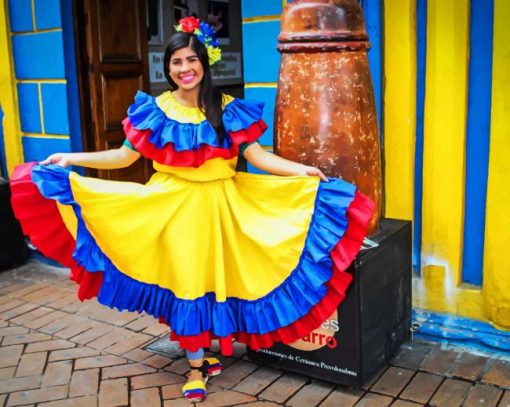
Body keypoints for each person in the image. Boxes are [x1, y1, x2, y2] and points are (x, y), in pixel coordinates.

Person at [10, 17, 374, 403]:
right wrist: (72, 157)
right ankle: (196, 365)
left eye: (191, 60)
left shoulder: (228, 109)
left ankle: (207, 350)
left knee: (217, 280)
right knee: (187, 283)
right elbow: (121, 156)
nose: (184, 69)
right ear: (167, 69)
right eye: (176, 62)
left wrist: (299, 169)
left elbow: (257, 156)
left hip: (222, 207)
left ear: (204, 63)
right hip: (172, 209)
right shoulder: (155, 110)